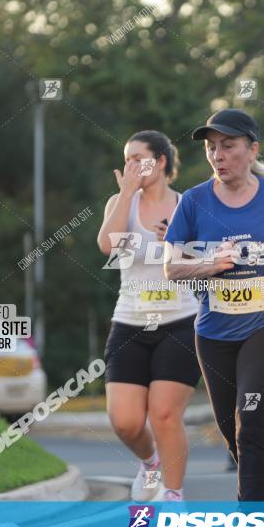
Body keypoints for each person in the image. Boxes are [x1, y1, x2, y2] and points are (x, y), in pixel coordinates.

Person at [163, 108, 264, 527]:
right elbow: (172, 266)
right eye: (211, 147)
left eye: (228, 145)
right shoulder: (192, 202)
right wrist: (208, 264)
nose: (217, 155)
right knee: (233, 431)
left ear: (253, 149)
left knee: (252, 423)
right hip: (214, 331)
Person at [97, 130, 200, 503]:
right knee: (124, 420)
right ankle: (151, 462)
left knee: (164, 415)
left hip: (180, 321)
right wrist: (127, 192)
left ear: (159, 162)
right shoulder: (120, 202)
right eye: (126, 159)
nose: (130, 166)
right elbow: (108, 246)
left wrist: (176, 246)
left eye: (137, 158)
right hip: (129, 322)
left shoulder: (188, 205)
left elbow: (209, 261)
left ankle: (174, 495)